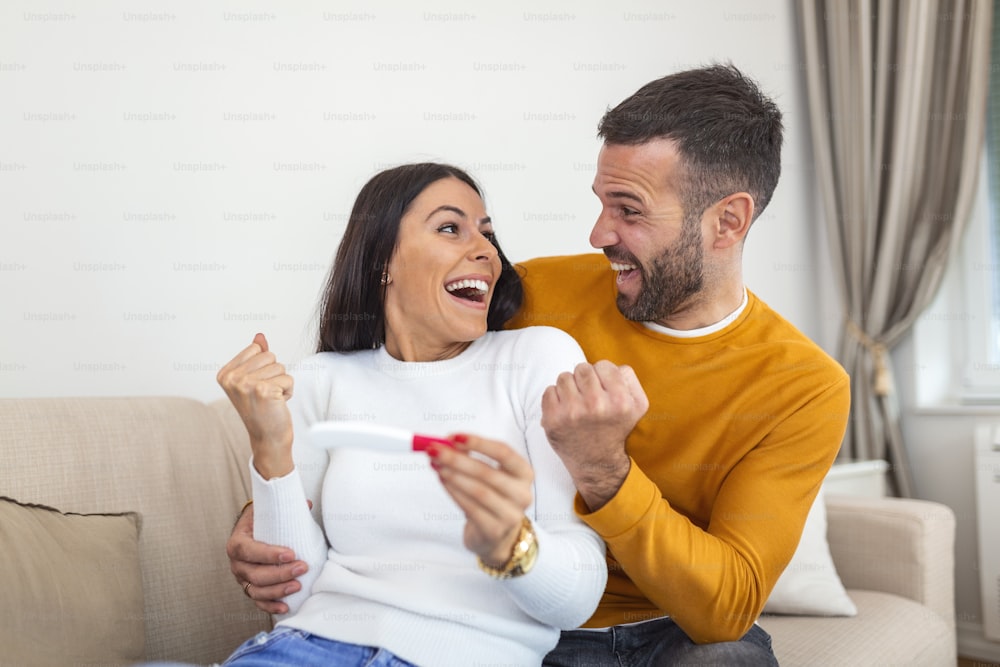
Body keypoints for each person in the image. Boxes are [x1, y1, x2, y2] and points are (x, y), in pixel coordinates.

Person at [228, 64, 850, 666]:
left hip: (669, 625)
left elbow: (726, 609)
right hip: (530, 629)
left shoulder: (804, 386)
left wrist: (606, 470)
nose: (598, 234)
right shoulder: (530, 293)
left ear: (728, 222)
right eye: (601, 203)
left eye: (628, 210)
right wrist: (266, 510)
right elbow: (388, 377)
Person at [216, 162, 607, 667]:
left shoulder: (537, 359)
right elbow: (290, 596)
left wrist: (513, 544)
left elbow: (576, 600)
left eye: (487, 234)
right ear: (384, 261)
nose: (486, 251)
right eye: (451, 228)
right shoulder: (320, 379)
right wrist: (269, 449)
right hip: (303, 651)